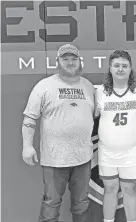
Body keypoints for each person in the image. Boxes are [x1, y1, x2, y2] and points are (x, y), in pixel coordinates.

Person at [22, 44, 95, 222]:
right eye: (65, 59)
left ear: (79, 61)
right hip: (54, 160)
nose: (70, 63)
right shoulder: (44, 86)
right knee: (51, 204)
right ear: (57, 62)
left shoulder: (88, 86)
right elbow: (29, 119)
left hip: (83, 158)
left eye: (73, 59)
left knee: (82, 204)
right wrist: (27, 146)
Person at [94, 50, 136, 222]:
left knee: (130, 189)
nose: (120, 69)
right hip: (106, 151)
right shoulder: (100, 92)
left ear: (130, 69)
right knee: (110, 189)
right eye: (117, 65)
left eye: (124, 66)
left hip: (131, 151)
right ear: (110, 69)